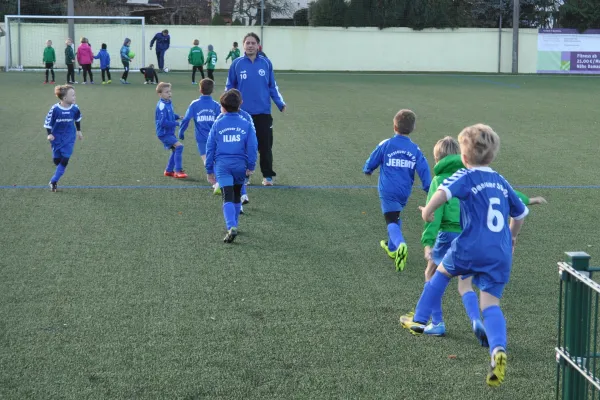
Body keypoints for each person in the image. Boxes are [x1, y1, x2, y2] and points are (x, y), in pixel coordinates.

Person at [400, 124, 529, 388]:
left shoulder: (466, 176)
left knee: (441, 273)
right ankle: (497, 350)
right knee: (490, 304)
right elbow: (521, 213)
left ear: (464, 157)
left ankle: (420, 319)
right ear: (492, 156)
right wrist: (513, 236)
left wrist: (427, 212)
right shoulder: (501, 181)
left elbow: (442, 193)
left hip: (470, 246)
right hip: (500, 252)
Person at [413, 136, 546, 339]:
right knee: (464, 284)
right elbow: (508, 194)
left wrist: (427, 242)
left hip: (450, 236)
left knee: (432, 274)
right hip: (472, 236)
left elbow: (435, 215)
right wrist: (531, 200)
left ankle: (435, 321)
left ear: (437, 158)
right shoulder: (485, 176)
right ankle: (476, 320)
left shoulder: (443, 180)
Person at [363, 109, 431, 272]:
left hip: (388, 189)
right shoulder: (415, 149)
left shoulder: (386, 144)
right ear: (413, 128)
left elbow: (373, 159)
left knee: (391, 220)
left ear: (394, 126)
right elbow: (424, 169)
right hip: (404, 191)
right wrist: (429, 188)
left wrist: (368, 169)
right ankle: (392, 248)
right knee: (395, 214)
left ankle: (400, 244)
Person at [226, 32, 286, 186]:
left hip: (263, 113)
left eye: (253, 43)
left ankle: (268, 176)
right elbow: (230, 87)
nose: (250, 46)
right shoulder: (237, 64)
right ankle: (245, 175)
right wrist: (226, 106)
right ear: (243, 45)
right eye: (248, 43)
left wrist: (280, 103)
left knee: (265, 146)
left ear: (258, 46)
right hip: (242, 113)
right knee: (243, 147)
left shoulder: (266, 63)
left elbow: (272, 86)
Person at [205, 89, 258, 243]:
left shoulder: (218, 124)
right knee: (236, 194)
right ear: (240, 105)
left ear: (222, 107)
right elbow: (252, 147)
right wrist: (251, 165)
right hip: (240, 166)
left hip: (223, 166)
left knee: (227, 195)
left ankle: (231, 226)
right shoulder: (246, 124)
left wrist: (209, 170)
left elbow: (210, 148)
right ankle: (235, 225)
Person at [43, 85, 83, 192]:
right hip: (56, 138)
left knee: (65, 159)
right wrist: (49, 134)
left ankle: (53, 181)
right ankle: (58, 165)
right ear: (65, 98)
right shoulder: (55, 109)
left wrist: (79, 131)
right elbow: (48, 122)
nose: (75, 97)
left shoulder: (75, 108)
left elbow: (77, 119)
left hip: (69, 138)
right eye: (72, 95)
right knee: (57, 160)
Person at [155, 82, 187, 179]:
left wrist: (178, 117)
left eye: (170, 91)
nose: (169, 94)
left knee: (175, 149)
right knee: (179, 146)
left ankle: (169, 171)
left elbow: (171, 115)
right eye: (166, 92)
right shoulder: (162, 106)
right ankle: (178, 171)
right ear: (160, 94)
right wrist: (177, 123)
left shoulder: (168, 102)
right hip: (164, 133)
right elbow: (162, 123)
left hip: (169, 132)